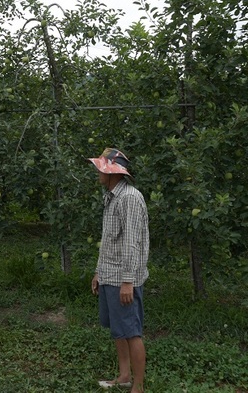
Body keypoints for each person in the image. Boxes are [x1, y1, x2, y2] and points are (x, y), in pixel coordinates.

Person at [88, 148, 149, 393]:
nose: (97, 172)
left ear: (111, 171)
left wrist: (127, 281)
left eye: (100, 168)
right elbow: (110, 240)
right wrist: (98, 271)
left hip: (124, 278)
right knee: (118, 329)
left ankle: (138, 386)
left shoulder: (130, 198)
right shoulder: (111, 196)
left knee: (131, 331)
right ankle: (124, 376)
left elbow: (131, 242)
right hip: (109, 274)